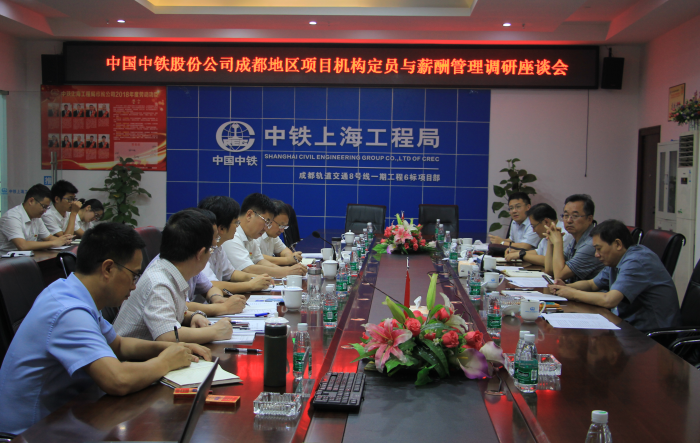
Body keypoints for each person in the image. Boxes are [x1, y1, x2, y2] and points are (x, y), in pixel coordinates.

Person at [0, 222, 210, 435]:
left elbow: (119, 345)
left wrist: (174, 348)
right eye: (134, 275)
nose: (134, 286)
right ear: (108, 269)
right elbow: (117, 380)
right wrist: (165, 362)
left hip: (65, 416)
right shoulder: (68, 311)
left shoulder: (72, 292)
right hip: (30, 433)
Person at [113, 209, 234, 344]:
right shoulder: (159, 283)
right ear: (200, 254)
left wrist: (193, 316)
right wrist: (215, 331)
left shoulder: (171, 270)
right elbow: (167, 336)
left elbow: (173, 313)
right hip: (131, 356)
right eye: (211, 249)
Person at [549, 220, 681, 332]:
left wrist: (572, 293)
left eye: (599, 248)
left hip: (653, 335)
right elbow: (592, 284)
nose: (596, 255)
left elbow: (609, 300)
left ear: (617, 244)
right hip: (630, 325)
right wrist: (566, 287)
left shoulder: (636, 261)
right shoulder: (618, 259)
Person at [197, 195, 274, 293]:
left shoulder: (218, 247)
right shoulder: (201, 250)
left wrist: (255, 278)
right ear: (221, 228)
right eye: (236, 222)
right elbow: (210, 284)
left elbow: (231, 273)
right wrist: (250, 285)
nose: (237, 226)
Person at [222, 193, 307, 278]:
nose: (266, 228)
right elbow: (247, 269)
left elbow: (260, 261)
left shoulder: (251, 236)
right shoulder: (232, 236)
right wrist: (287, 271)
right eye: (266, 222)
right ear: (249, 215)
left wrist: (287, 270)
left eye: (269, 224)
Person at [544, 194, 605, 282]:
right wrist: (550, 241)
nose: (569, 220)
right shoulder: (575, 240)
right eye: (566, 215)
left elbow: (559, 275)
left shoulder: (591, 244)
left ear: (589, 219)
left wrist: (557, 242)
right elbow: (549, 270)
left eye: (575, 216)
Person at [0, 184, 72, 251]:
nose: (45, 211)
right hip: (8, 259)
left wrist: (63, 241)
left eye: (47, 207)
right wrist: (53, 243)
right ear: (31, 201)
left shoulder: (36, 217)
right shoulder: (12, 217)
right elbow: (22, 245)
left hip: (28, 257)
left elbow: (48, 237)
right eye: (44, 207)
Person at [505, 203, 573, 266]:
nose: (533, 231)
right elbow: (538, 252)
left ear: (546, 222)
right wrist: (518, 253)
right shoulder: (548, 231)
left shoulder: (564, 234)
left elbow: (552, 261)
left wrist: (521, 255)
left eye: (534, 226)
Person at [258, 200, 303, 266]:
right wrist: (287, 260)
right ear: (269, 219)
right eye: (280, 225)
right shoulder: (255, 234)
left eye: (284, 227)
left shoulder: (272, 235)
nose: (282, 231)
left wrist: (291, 257)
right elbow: (256, 257)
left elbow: (284, 250)